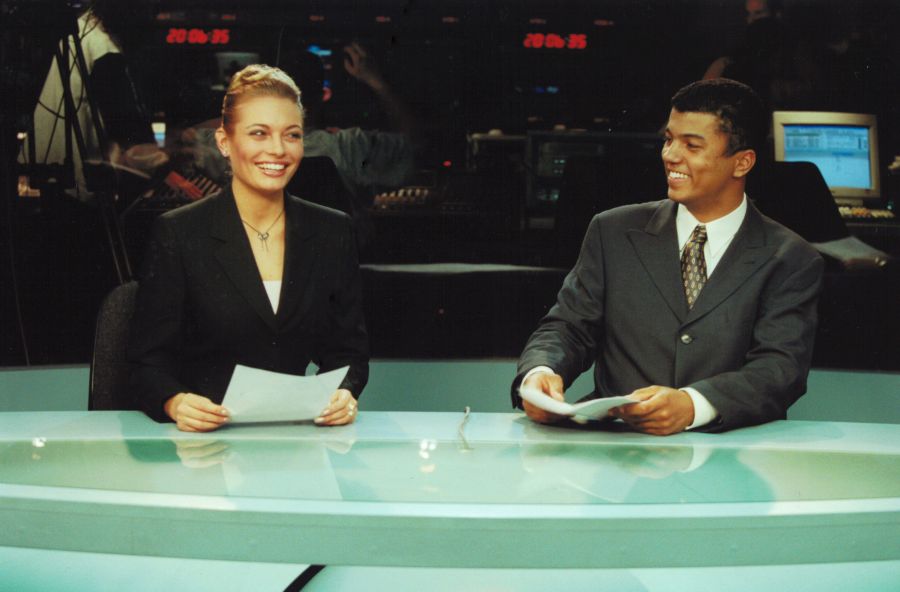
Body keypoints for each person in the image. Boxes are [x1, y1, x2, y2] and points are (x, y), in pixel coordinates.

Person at [513, 78, 824, 435]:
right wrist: (540, 372)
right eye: (668, 139)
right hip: (616, 447)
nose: (670, 155)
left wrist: (692, 405)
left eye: (692, 145)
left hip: (729, 449)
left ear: (742, 163)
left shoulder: (791, 258)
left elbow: (779, 370)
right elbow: (568, 327)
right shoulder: (611, 231)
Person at [128, 64, 369, 432]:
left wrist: (344, 393)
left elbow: (348, 352)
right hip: (203, 443)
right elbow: (146, 363)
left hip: (296, 438)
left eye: (292, 135)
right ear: (224, 141)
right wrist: (175, 402)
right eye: (259, 133)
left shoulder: (332, 231)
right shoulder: (178, 233)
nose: (278, 149)